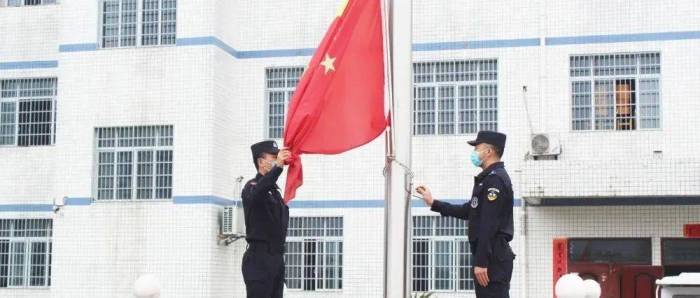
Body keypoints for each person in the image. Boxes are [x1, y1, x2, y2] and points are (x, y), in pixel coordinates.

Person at [416, 131, 516, 297]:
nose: (474, 153)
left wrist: (482, 261)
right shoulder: (487, 179)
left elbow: (488, 223)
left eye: (477, 148)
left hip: (493, 258)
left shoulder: (495, 180)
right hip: (489, 256)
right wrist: (434, 203)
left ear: (489, 151)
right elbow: (470, 210)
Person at [241, 140, 291, 298]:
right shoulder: (251, 187)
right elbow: (258, 192)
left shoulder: (275, 192)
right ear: (261, 162)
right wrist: (277, 169)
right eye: (274, 157)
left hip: (276, 259)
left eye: (278, 157)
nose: (278, 159)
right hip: (259, 260)